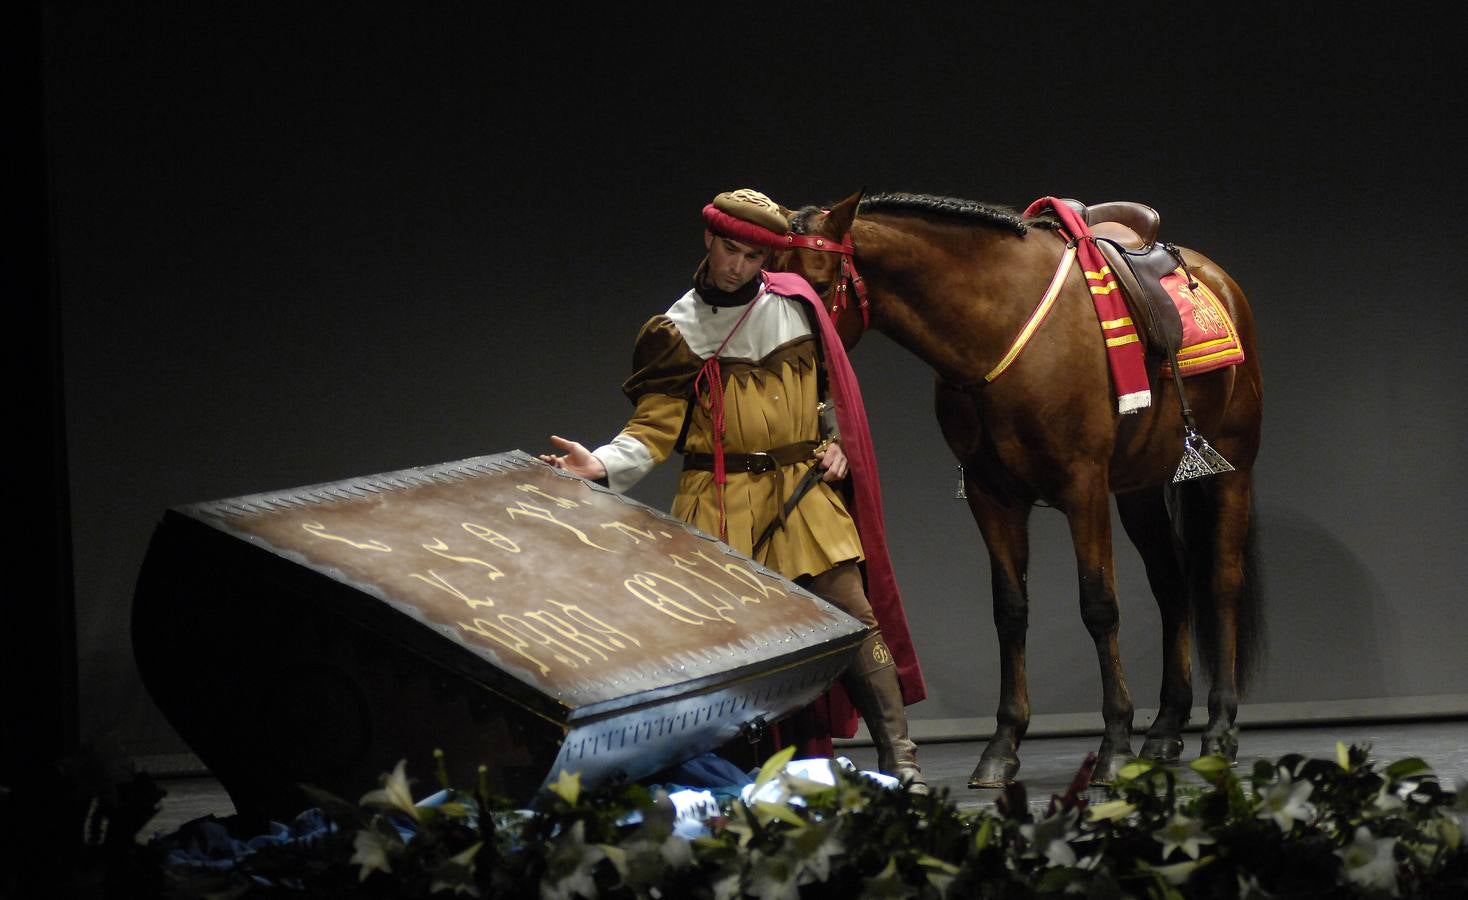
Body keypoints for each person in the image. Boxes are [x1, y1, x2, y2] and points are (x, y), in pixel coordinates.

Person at [540, 188, 927, 792]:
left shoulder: (799, 305)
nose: (737, 266)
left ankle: (901, 761)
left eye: (752, 256)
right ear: (709, 240)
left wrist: (837, 441)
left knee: (855, 621)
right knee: (730, 652)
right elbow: (653, 430)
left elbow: (832, 391)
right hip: (720, 501)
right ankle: (742, 781)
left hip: (801, 494)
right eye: (729, 250)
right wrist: (603, 466)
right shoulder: (676, 329)